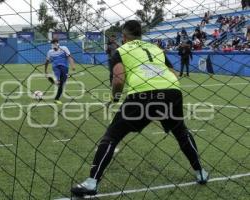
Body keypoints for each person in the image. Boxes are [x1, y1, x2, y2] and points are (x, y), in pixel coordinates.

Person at [71, 20, 208, 197]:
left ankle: (91, 183)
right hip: (172, 92)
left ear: (124, 36)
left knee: (112, 136)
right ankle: (201, 172)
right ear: (141, 34)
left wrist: (115, 98)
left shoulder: (121, 50)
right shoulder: (155, 49)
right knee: (181, 132)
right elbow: (174, 74)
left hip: (142, 95)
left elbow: (118, 79)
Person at [45, 38, 76, 104]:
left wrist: (72, 65)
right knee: (59, 80)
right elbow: (47, 61)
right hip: (56, 67)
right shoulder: (50, 52)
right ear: (52, 45)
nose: (54, 44)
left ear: (58, 43)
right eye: (53, 43)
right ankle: (56, 99)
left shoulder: (64, 48)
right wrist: (46, 70)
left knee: (61, 84)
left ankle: (56, 83)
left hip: (65, 68)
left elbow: (69, 57)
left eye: (55, 43)